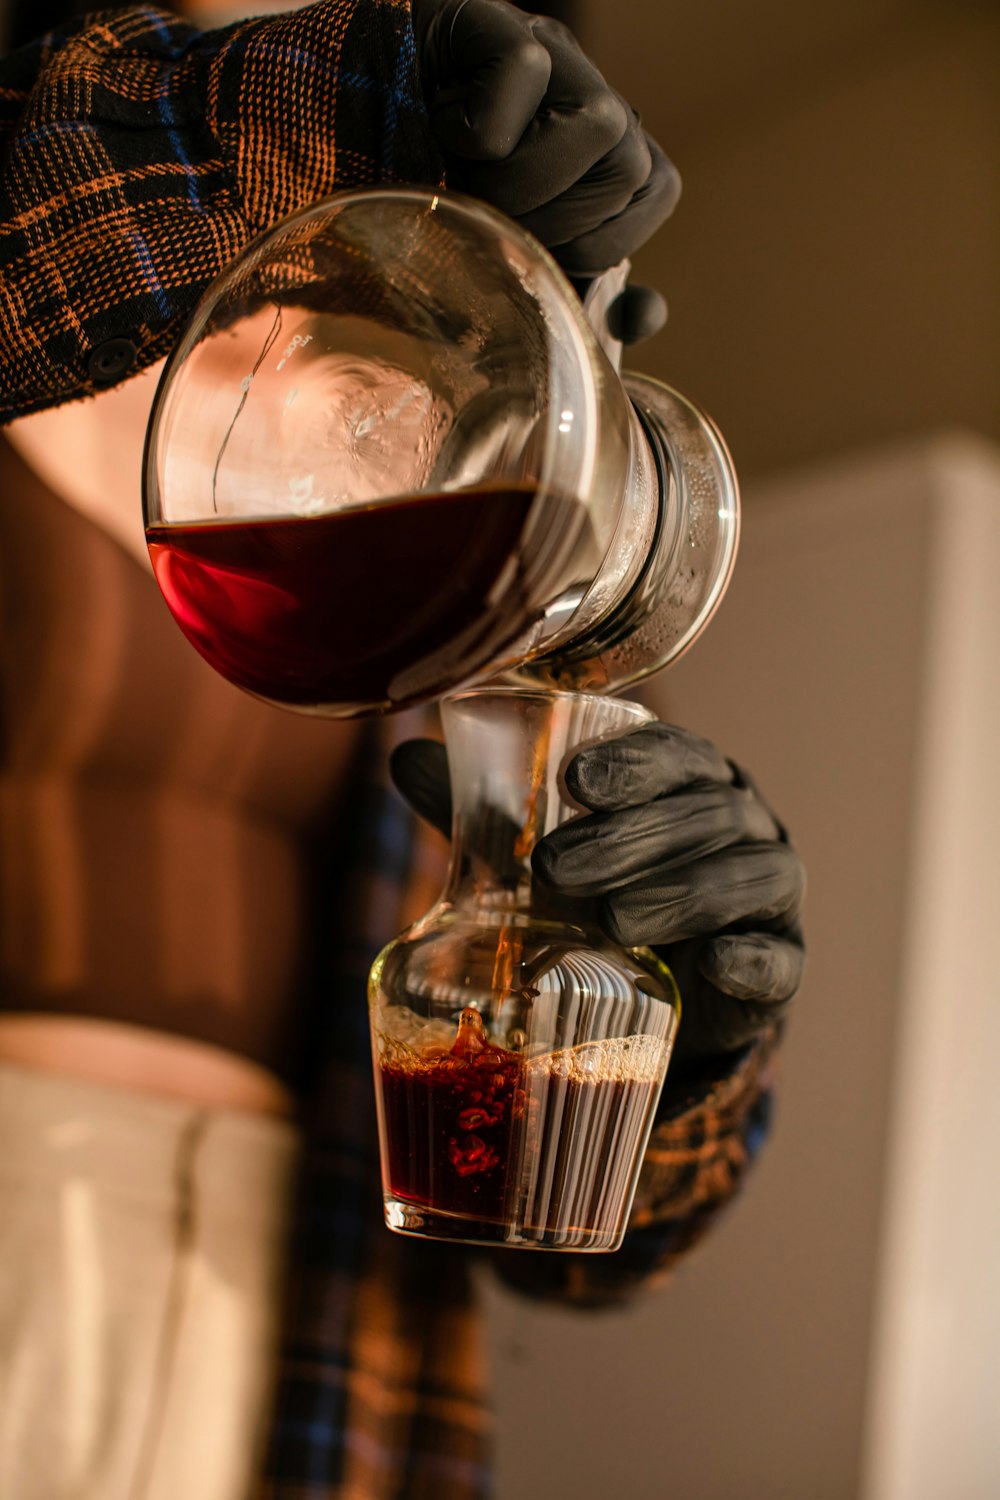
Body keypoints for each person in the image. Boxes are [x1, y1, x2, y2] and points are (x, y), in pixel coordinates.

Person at [0, 3, 805, 1498]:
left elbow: (572, 1248)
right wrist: (292, 112)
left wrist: (674, 1048)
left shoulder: (468, 508)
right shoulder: (34, 285)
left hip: (308, 1328)